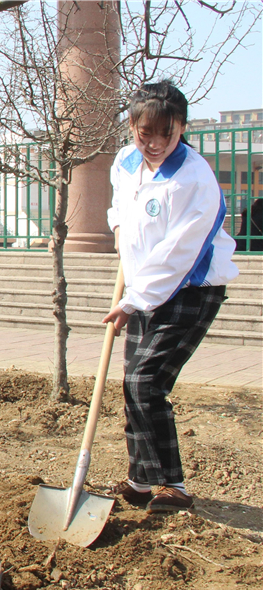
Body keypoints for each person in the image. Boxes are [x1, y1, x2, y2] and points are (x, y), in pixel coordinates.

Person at [104, 81, 239, 513]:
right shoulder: (126, 162)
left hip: (190, 289)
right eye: (146, 133)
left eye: (167, 133)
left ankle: (172, 486)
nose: (156, 143)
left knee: (146, 382)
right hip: (142, 287)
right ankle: (141, 481)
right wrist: (119, 230)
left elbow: (181, 252)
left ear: (182, 127)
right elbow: (119, 207)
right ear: (132, 126)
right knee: (133, 383)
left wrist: (133, 299)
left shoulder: (194, 179)